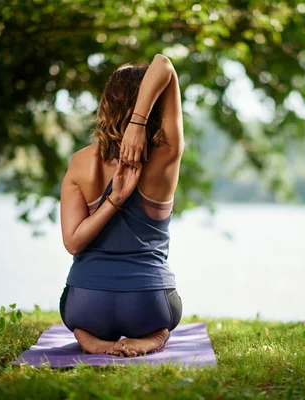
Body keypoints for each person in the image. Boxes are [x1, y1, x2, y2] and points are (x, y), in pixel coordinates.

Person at [58, 54, 184, 357]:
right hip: (148, 306)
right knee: (170, 314)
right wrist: (139, 124)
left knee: (73, 315)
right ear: (150, 102)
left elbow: (73, 243)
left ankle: (88, 338)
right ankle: (154, 336)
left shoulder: (79, 163)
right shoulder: (165, 154)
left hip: (85, 306)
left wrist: (111, 201)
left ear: (106, 105)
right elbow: (164, 64)